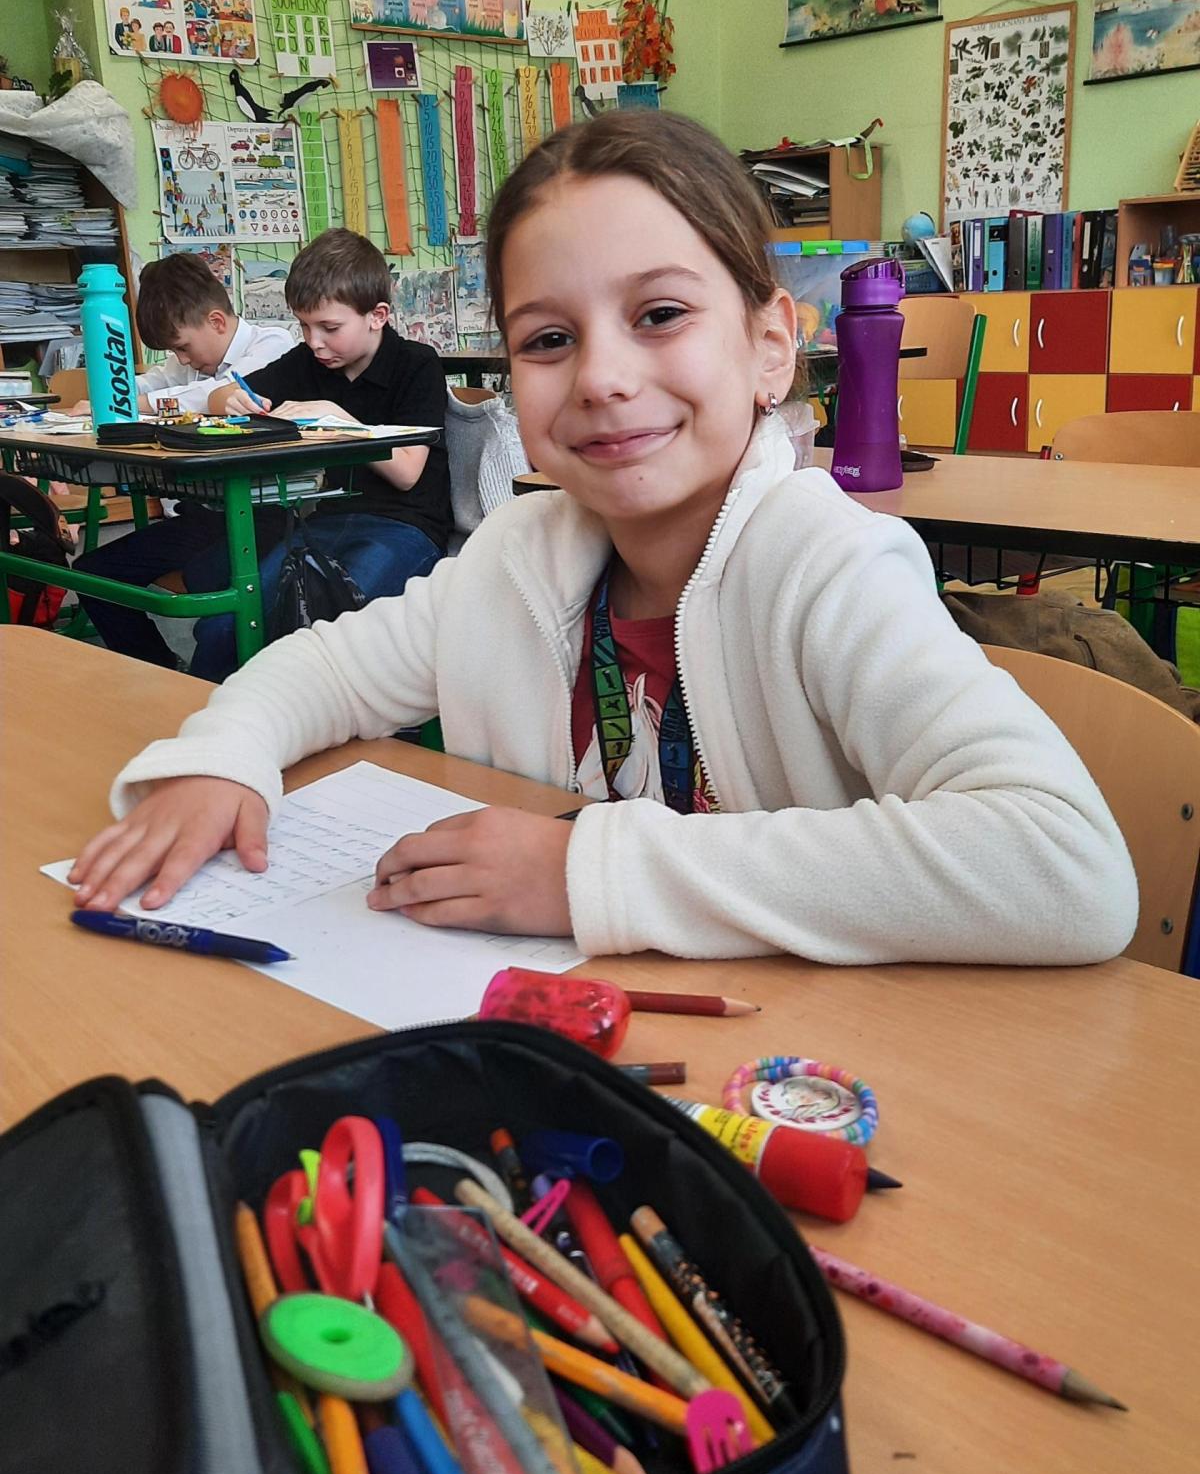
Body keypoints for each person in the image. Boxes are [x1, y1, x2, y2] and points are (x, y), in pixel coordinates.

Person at [70, 112, 1137, 970]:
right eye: (548, 338)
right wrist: (226, 761)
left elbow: (1064, 864)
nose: (603, 377)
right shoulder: (515, 558)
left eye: (660, 314)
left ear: (771, 347)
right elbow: (324, 669)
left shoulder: (825, 564)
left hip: (801, 1076)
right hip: (558, 1034)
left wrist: (586, 873)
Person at [191, 225, 450, 681]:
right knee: (222, 629)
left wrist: (339, 421)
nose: (314, 342)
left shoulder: (417, 364)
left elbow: (408, 471)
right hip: (325, 523)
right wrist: (230, 400)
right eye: (304, 326)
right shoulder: (308, 361)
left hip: (405, 528)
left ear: (377, 315)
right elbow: (220, 395)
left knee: (327, 625)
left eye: (329, 328)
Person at [74, 254, 296, 667]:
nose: (182, 360)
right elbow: (152, 383)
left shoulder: (274, 345)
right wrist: (102, 398)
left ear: (216, 321)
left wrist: (129, 403)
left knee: (210, 590)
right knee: (93, 573)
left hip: (265, 516)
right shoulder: (189, 362)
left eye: (182, 347)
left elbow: (211, 396)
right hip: (205, 515)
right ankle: (162, 671)